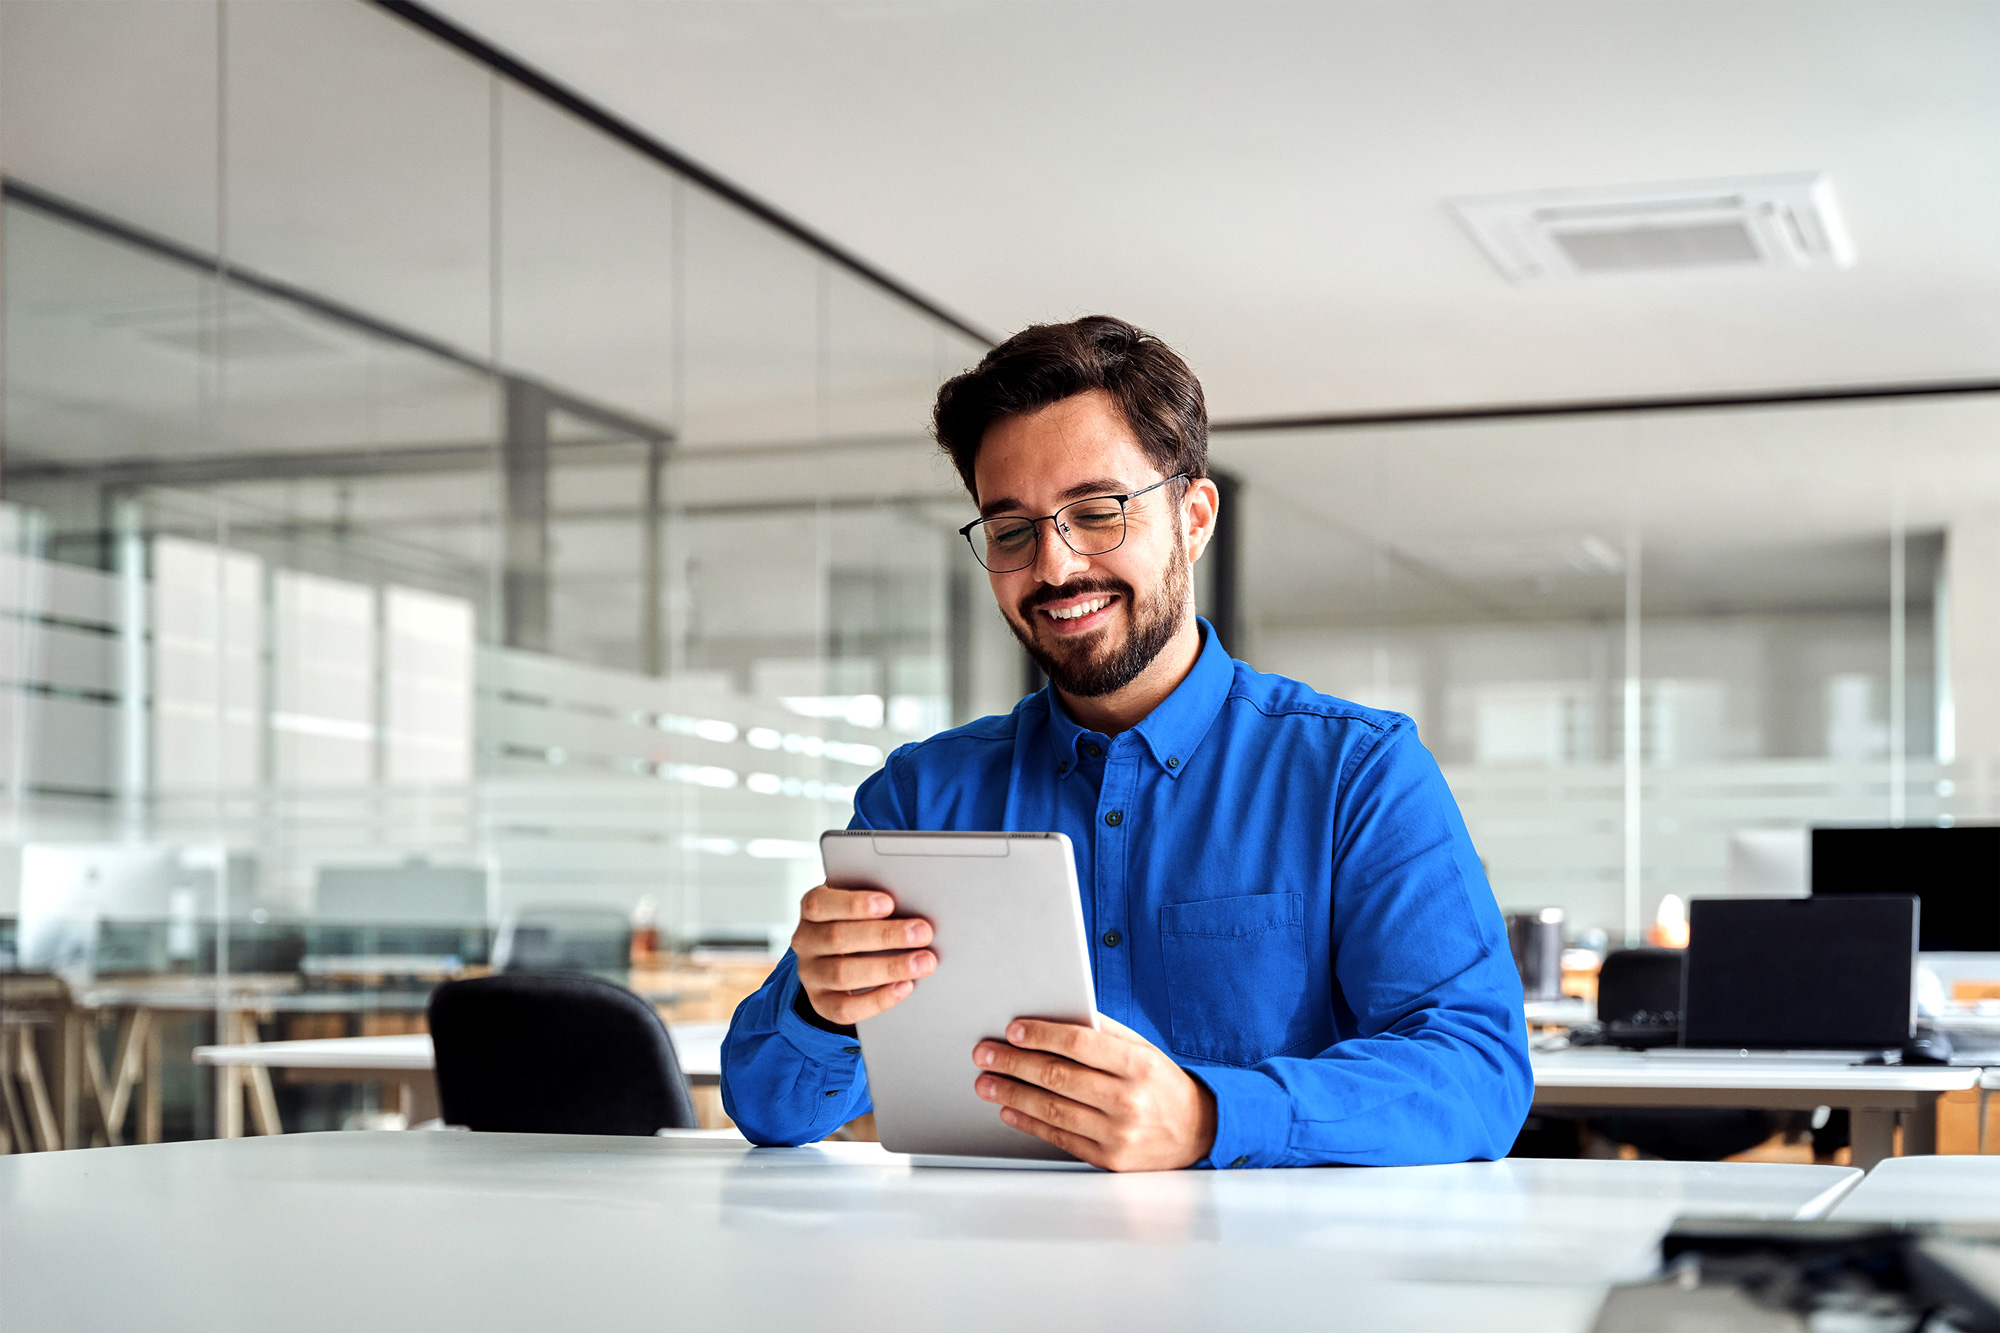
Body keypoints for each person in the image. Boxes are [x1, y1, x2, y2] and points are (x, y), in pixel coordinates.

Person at [721, 315, 1532, 1170]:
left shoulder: (1357, 774)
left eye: (1097, 511)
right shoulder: (924, 796)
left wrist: (1212, 1117)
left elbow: (1476, 1073)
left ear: (1194, 516)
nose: (1056, 566)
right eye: (1012, 530)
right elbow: (770, 1109)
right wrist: (822, 1005)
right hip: (980, 1281)